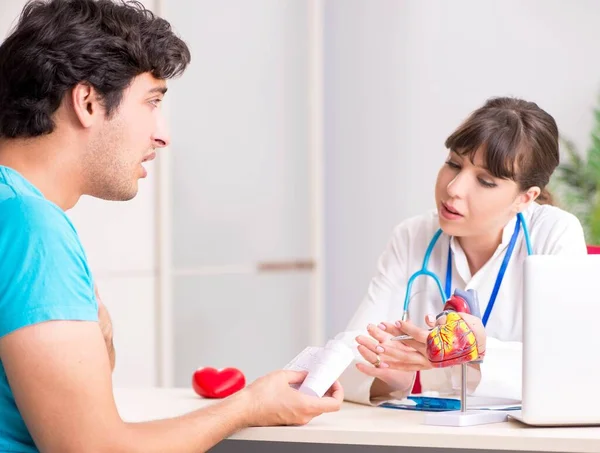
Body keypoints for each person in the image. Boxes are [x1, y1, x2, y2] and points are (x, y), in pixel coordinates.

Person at [0, 1, 342, 452]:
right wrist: (249, 405)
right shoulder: (32, 227)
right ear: (86, 102)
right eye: (151, 102)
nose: (162, 134)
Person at [335, 97, 587, 405]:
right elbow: (346, 352)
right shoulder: (413, 235)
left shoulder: (553, 233)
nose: (454, 188)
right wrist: (390, 379)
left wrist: (471, 355)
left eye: (485, 181)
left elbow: (569, 368)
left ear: (525, 198)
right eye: (453, 164)